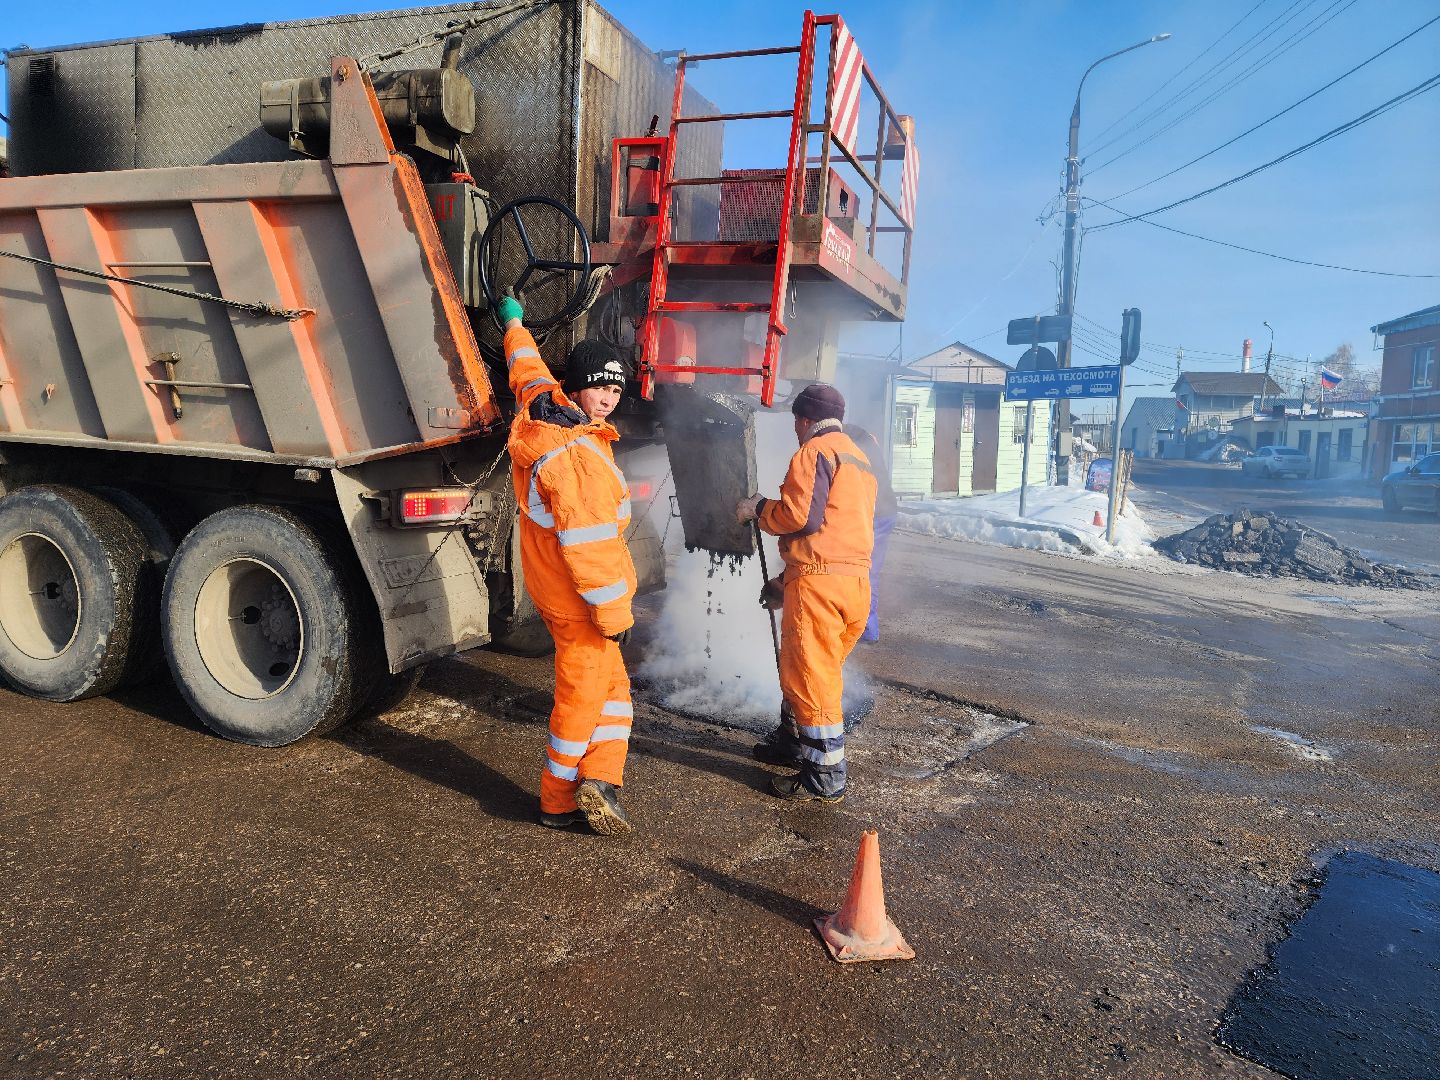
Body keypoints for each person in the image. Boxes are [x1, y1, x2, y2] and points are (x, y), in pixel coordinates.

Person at [499, 294, 637, 836]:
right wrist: (616, 615)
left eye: (617, 388)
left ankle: (600, 781)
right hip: (581, 604)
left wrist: (514, 323)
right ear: (578, 387)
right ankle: (557, 801)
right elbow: (592, 550)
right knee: (582, 699)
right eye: (602, 386)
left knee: (615, 695)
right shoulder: (577, 458)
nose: (609, 398)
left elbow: (525, 369)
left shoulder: (544, 405)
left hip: (555, 589)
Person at [736, 383, 876, 804]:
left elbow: (800, 517)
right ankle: (791, 743)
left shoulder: (814, 452)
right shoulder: (859, 458)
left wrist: (757, 508)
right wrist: (784, 582)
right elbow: (834, 533)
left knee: (812, 679)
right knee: (806, 667)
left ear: (802, 419)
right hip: (853, 585)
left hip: (820, 585)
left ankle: (824, 776)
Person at [843, 424, 898, 643]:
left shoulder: (845, 442)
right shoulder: (864, 436)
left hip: (874, 513)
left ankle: (864, 627)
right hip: (884, 511)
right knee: (869, 570)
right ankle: (866, 627)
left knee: (864, 570)